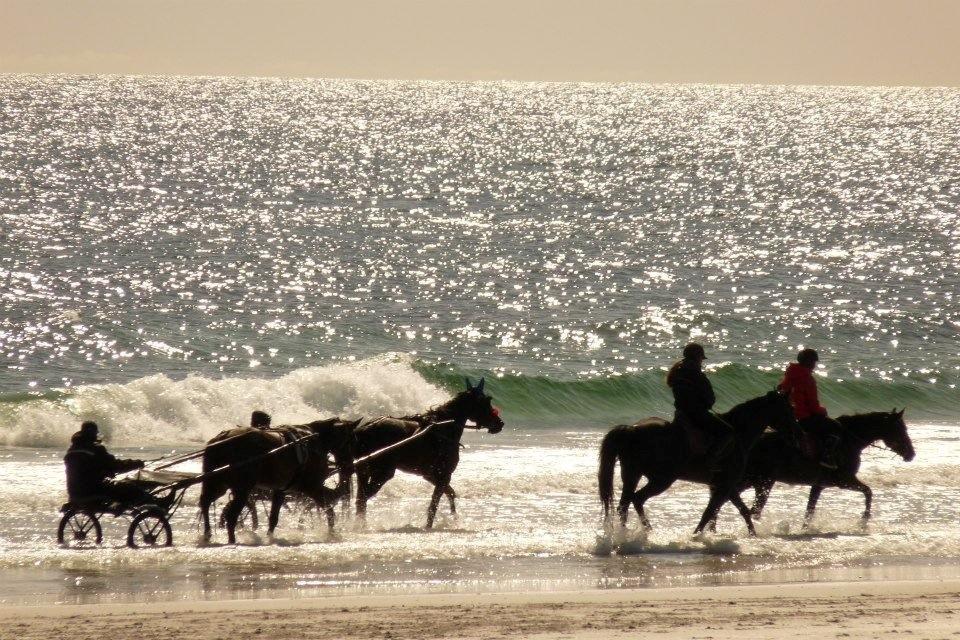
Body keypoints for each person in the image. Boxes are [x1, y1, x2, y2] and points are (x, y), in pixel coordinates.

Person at [666, 343, 734, 470]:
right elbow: (709, 398)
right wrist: (706, 404)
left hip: (680, 413)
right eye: (701, 358)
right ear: (697, 357)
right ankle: (709, 460)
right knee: (727, 432)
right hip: (696, 414)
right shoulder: (696, 373)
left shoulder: (678, 371)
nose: (702, 361)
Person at [63, 421, 155, 506]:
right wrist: (136, 464)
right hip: (93, 491)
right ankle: (155, 503)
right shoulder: (96, 449)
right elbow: (115, 466)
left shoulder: (72, 450)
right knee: (130, 488)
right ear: (94, 434)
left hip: (74, 493)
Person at [779, 348, 843, 469]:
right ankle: (826, 457)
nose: (814, 365)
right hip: (803, 418)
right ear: (808, 362)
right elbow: (813, 406)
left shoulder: (789, 374)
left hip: (790, 417)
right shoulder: (807, 379)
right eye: (813, 362)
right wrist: (823, 410)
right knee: (836, 427)